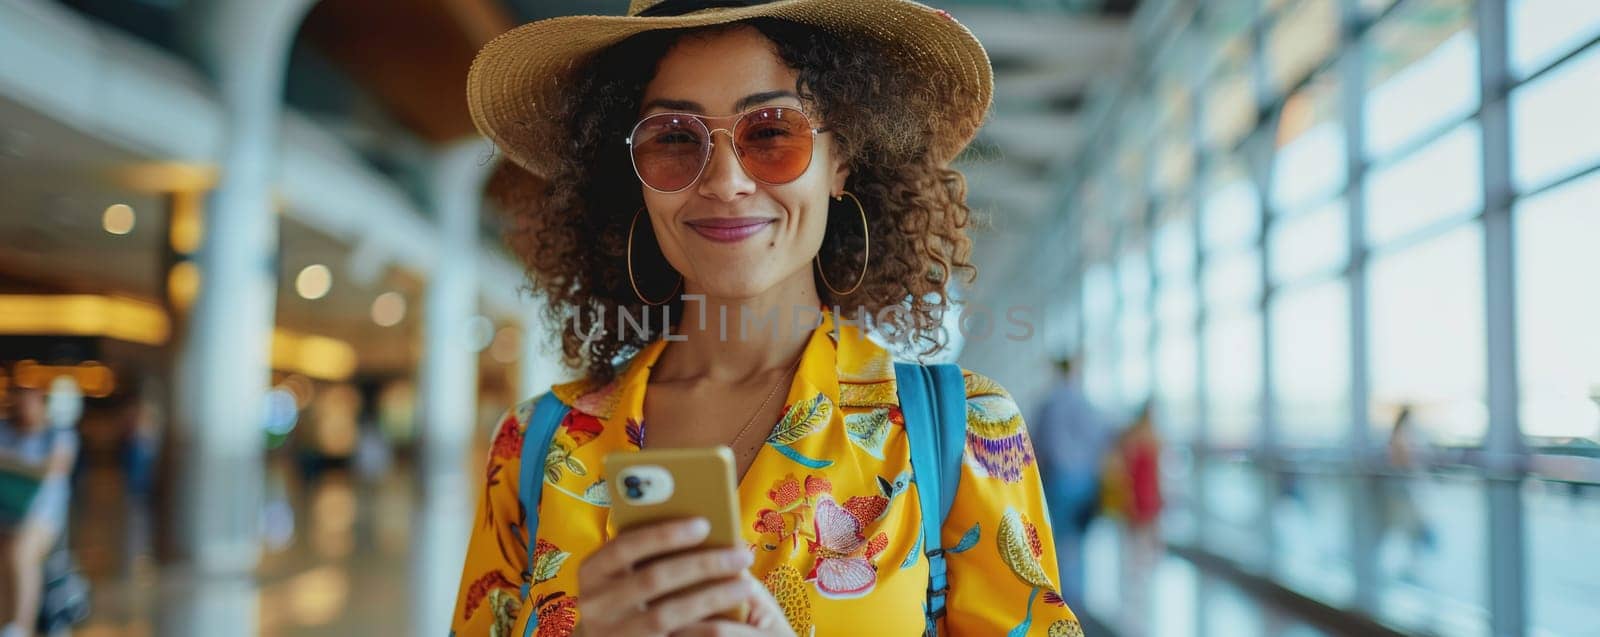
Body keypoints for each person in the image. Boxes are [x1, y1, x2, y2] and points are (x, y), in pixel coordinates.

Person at [450, 2, 1082, 636]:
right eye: (673, 137)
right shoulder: (534, 448)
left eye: (773, 132)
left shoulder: (961, 434)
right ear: (635, 176)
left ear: (842, 161)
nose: (725, 181)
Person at [1026, 356, 1108, 611]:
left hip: (1058, 481)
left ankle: (1060, 603)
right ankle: (1077, 603)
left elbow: (1039, 444)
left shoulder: (1047, 405)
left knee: (1058, 542)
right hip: (1085, 480)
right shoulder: (1087, 404)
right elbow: (1101, 441)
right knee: (1077, 542)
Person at [0, 380, 80, 637]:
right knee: (6, 561)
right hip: (7, 513)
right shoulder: (5, 430)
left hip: (43, 517)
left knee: (20, 555)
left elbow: (51, 469)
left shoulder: (59, 435)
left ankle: (20, 626)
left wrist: (8, 462)